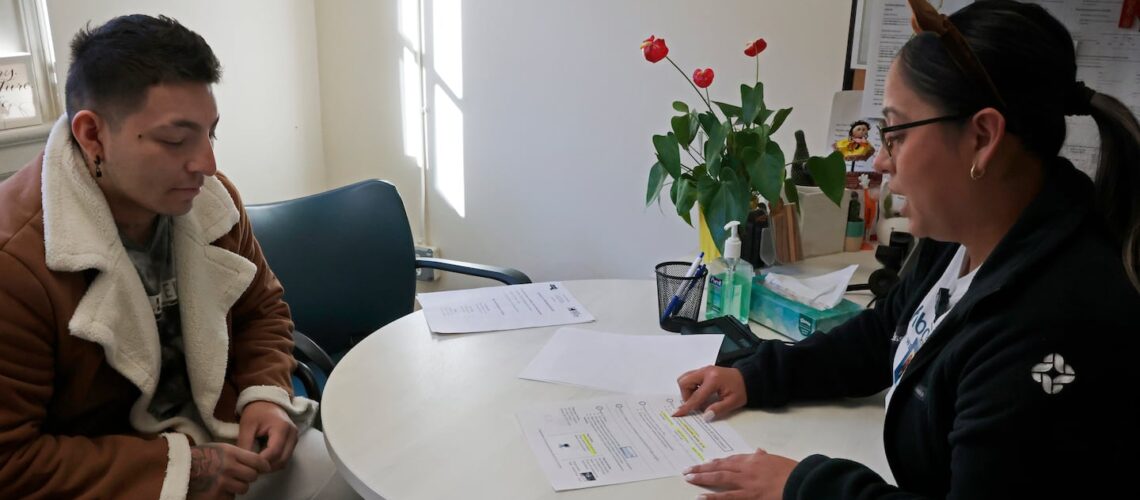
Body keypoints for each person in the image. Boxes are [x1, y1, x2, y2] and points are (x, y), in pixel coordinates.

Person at [672, 1, 1140, 498]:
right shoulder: (970, 232)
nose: (879, 160)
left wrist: (805, 485)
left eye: (895, 133)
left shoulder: (1055, 319)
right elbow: (883, 335)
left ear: (982, 137)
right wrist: (759, 375)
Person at [0, 15, 356, 499]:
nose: (207, 164)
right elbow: (11, 461)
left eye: (211, 133)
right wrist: (185, 468)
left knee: (355, 480)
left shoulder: (211, 201)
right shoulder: (14, 263)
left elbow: (262, 311)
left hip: (226, 435)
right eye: (175, 140)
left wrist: (264, 396)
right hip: (118, 476)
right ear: (92, 135)